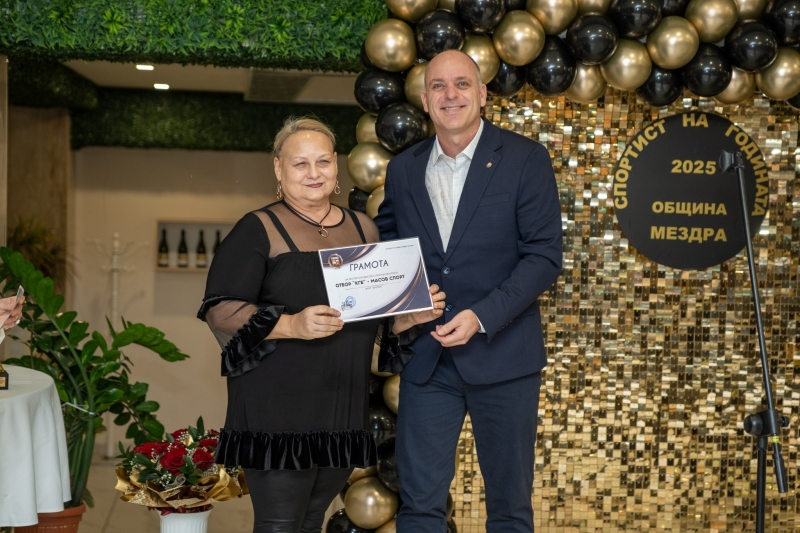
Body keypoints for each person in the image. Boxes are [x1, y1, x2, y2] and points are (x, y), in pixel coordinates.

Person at [198, 117, 445, 533]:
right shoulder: (258, 228)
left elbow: (370, 320)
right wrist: (292, 324)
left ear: (336, 166)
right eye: (300, 163)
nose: (314, 173)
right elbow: (219, 309)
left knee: (312, 522)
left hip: (340, 409)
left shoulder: (362, 228)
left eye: (323, 161)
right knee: (279, 525)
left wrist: (409, 316)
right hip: (278, 410)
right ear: (279, 169)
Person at [374, 50, 563, 533]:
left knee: (509, 509)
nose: (450, 95)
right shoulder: (403, 169)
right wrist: (402, 310)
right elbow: (392, 250)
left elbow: (544, 256)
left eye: (461, 84)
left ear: (482, 94)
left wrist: (481, 316)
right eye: (438, 86)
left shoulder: (525, 159)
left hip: (504, 358)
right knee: (419, 506)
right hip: (428, 361)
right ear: (424, 100)